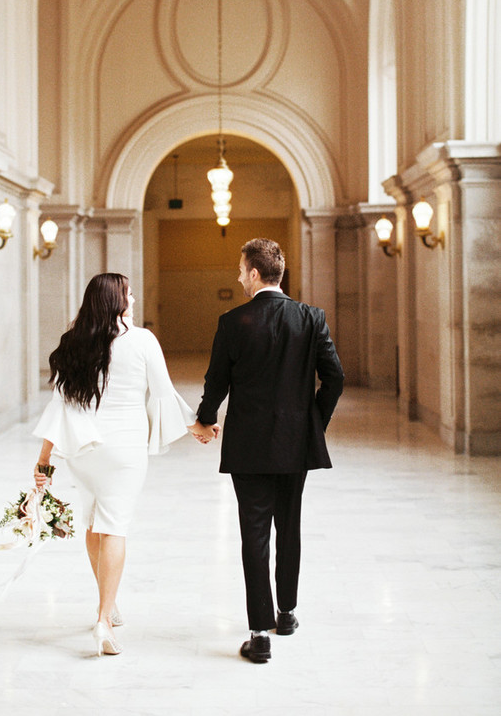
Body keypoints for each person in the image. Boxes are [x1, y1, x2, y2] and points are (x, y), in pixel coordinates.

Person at [32, 273, 212, 656]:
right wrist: (198, 426)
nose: (132, 298)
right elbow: (163, 394)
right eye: (128, 293)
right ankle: (102, 619)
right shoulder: (142, 339)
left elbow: (60, 405)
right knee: (114, 525)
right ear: (117, 301)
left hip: (84, 449)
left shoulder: (73, 343)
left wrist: (44, 460)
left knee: (94, 521)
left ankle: (108, 603)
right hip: (123, 450)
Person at [191, 238, 344, 663]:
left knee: (254, 535)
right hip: (295, 444)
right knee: (289, 526)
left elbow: (216, 382)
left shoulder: (232, 321)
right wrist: (313, 423)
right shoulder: (311, 318)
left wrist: (205, 420)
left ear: (255, 274)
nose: (239, 277)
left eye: (241, 270)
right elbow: (335, 379)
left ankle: (259, 633)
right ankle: (287, 612)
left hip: (249, 446)